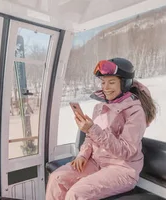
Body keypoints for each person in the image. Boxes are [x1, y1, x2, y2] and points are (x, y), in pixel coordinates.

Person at [45, 58, 157, 200]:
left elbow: (126, 151)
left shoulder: (135, 112)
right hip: (97, 162)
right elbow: (90, 138)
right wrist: (83, 155)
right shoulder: (99, 107)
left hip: (122, 169)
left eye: (111, 82)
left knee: (76, 194)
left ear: (125, 84)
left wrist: (92, 129)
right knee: (57, 178)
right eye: (103, 82)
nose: (106, 87)